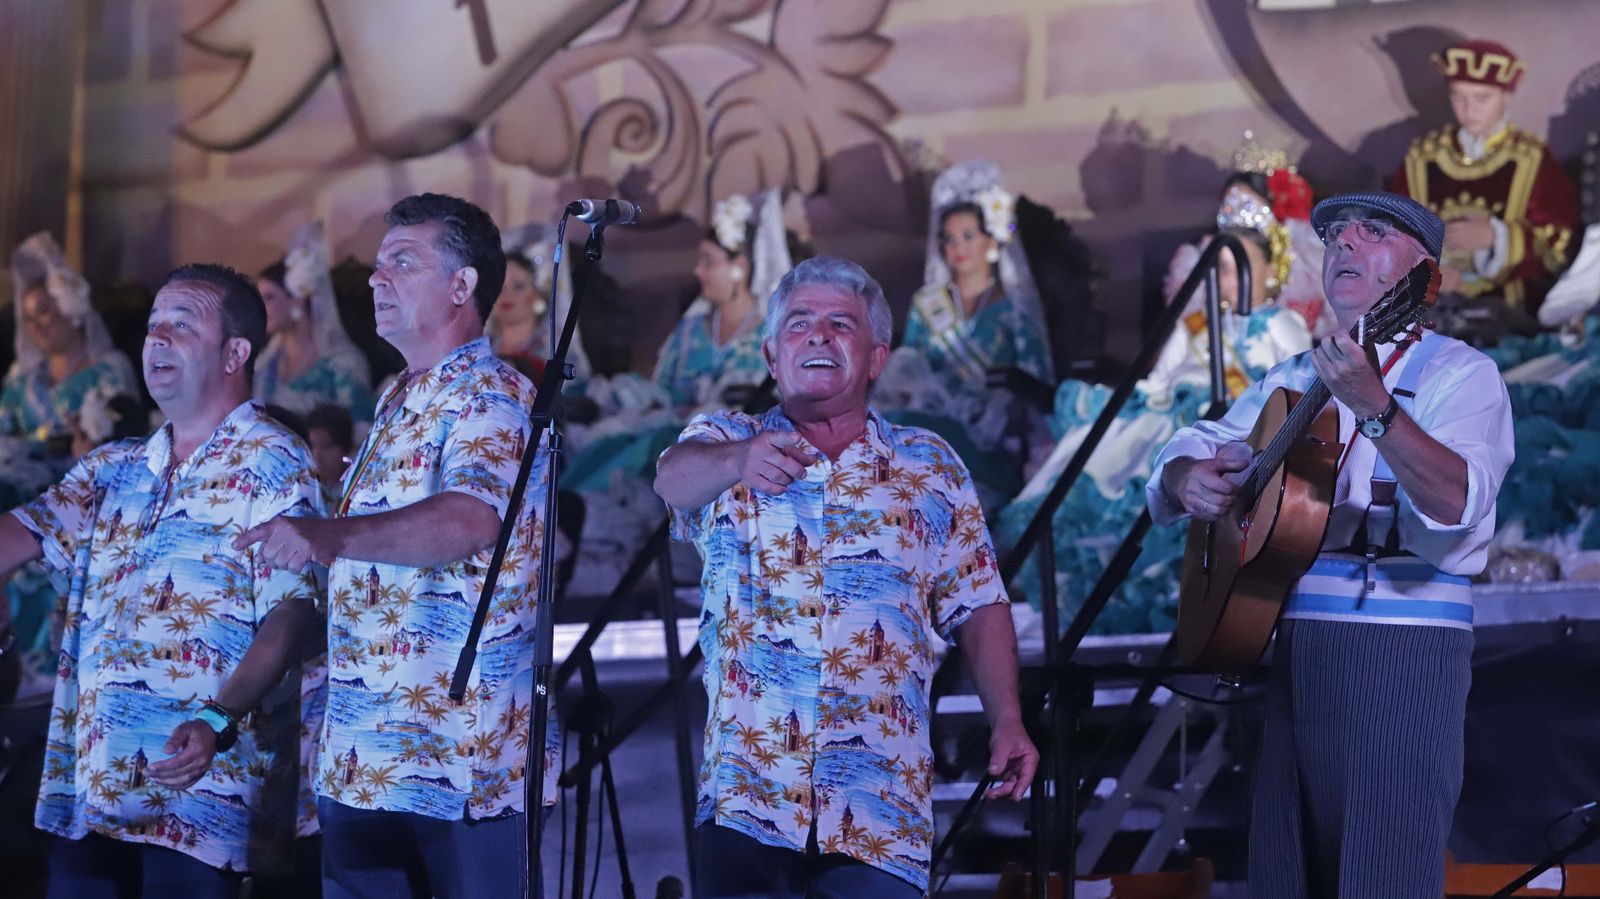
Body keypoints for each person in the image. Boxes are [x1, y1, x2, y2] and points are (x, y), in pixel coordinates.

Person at [1147, 192, 1514, 896]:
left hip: (1405, 639)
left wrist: (1377, 409)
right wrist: (1184, 476)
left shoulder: (1461, 374)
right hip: (1296, 639)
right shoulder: (1293, 376)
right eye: (1336, 234)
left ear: (1422, 271)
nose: (1344, 242)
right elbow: (1195, 443)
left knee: (1384, 870)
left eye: (1372, 232)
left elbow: (1458, 500)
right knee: (1288, 871)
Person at [655, 256, 1038, 898]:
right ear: (771, 356)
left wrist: (1007, 718)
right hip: (749, 798)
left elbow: (977, 603)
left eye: (842, 323)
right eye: (799, 322)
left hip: (879, 807)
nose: (819, 335)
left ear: (877, 357)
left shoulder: (929, 465)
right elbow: (671, 479)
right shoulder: (726, 440)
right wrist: (737, 460)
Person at [238, 193, 555, 899]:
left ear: (462, 285)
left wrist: (328, 535)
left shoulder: (494, 394)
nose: (376, 279)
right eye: (378, 265)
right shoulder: (395, 398)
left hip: (459, 756)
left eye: (402, 263)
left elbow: (471, 520)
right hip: (364, 749)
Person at [0, 263, 323, 896]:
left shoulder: (273, 458)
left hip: (200, 796)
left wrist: (219, 718)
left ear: (235, 353)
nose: (157, 338)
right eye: (153, 325)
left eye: (182, 324)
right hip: (96, 791)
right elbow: (20, 535)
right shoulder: (113, 466)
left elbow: (292, 612)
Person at [994, 141, 1319, 634]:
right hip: (1179, 416)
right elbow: (1159, 381)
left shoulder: (1280, 324)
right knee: (1109, 443)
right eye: (1220, 269)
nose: (1227, 281)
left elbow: (1290, 390)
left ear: (1270, 271)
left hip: (1241, 425)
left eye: (1238, 268)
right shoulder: (1197, 325)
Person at [876, 160, 1054, 508]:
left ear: (992, 239)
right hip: (925, 428)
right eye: (949, 239)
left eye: (969, 236)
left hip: (991, 443)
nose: (958, 247)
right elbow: (905, 370)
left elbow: (1035, 385)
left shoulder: (1014, 308)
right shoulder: (928, 303)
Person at [1389, 39, 1578, 323]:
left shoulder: (1532, 159)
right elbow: (1390, 234)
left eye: (1482, 98)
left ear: (1505, 97)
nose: (1469, 110)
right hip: (1434, 312)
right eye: (1458, 97)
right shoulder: (1421, 158)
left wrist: (1498, 239)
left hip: (1510, 316)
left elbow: (1560, 245)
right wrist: (1426, 273)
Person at [253, 222, 374, 423]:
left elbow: (358, 426)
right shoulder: (265, 364)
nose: (261, 307)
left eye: (269, 297)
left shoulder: (343, 364)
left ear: (297, 300)